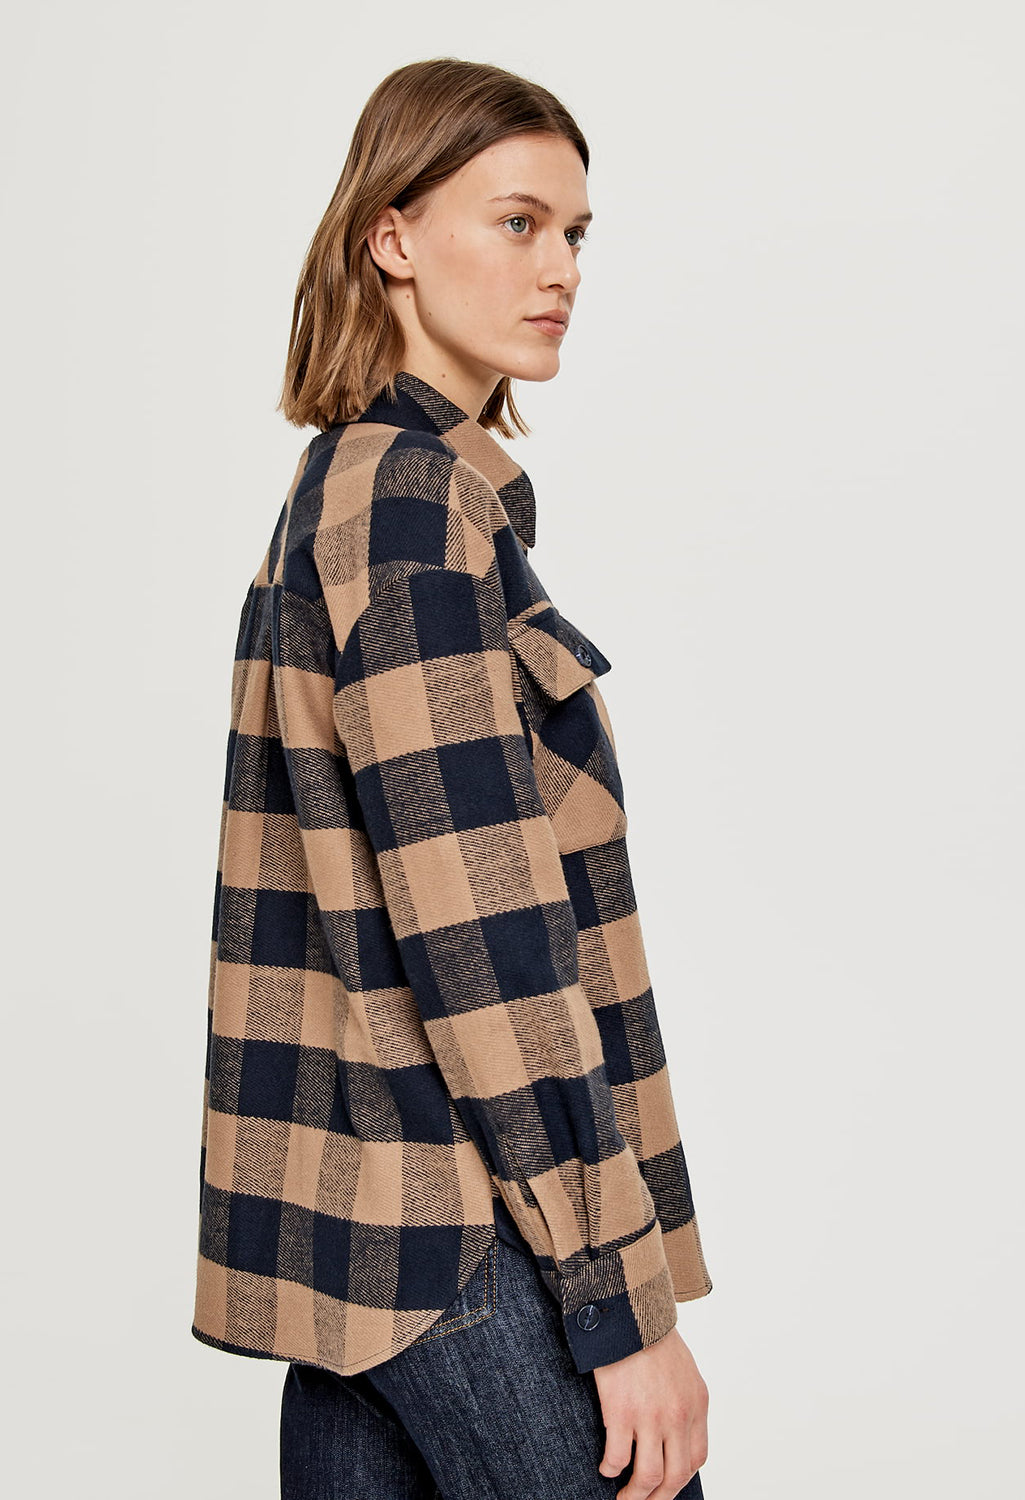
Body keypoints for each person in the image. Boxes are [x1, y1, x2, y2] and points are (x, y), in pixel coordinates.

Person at [192, 56, 714, 1500]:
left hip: (354, 1236)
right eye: (517, 222)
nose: (560, 269)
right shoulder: (414, 508)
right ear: (394, 237)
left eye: (575, 233)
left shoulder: (345, 487)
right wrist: (618, 1308)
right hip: (458, 1233)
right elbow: (483, 939)